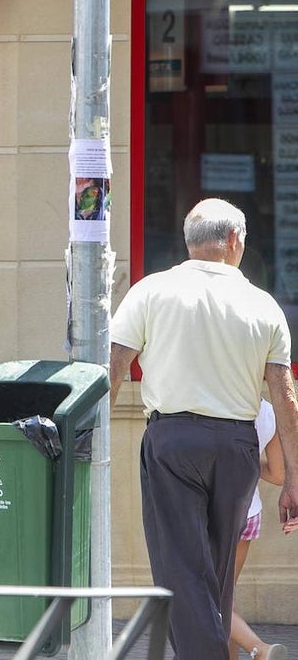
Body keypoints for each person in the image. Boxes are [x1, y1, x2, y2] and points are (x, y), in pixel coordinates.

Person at [110, 197, 298, 659]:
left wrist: (88, 440)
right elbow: (283, 396)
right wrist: (293, 477)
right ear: (234, 241)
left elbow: (112, 368)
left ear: (189, 242)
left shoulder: (151, 290)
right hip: (236, 445)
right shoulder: (263, 305)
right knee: (213, 577)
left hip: (172, 441)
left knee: (180, 573)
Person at [230, 400, 287, 660]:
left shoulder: (213, 401)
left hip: (214, 515)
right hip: (248, 513)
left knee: (208, 597)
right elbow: (278, 474)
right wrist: (251, 464)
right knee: (224, 594)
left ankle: (259, 649)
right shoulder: (266, 410)